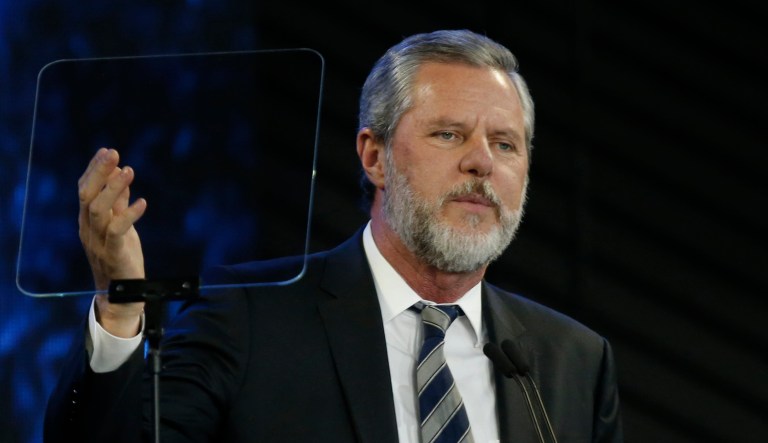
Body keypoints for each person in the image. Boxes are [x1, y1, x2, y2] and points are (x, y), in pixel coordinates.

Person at [44, 29, 622, 443]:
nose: (481, 163)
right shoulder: (247, 316)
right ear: (374, 156)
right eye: (448, 134)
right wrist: (120, 312)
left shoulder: (571, 361)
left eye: (505, 144)